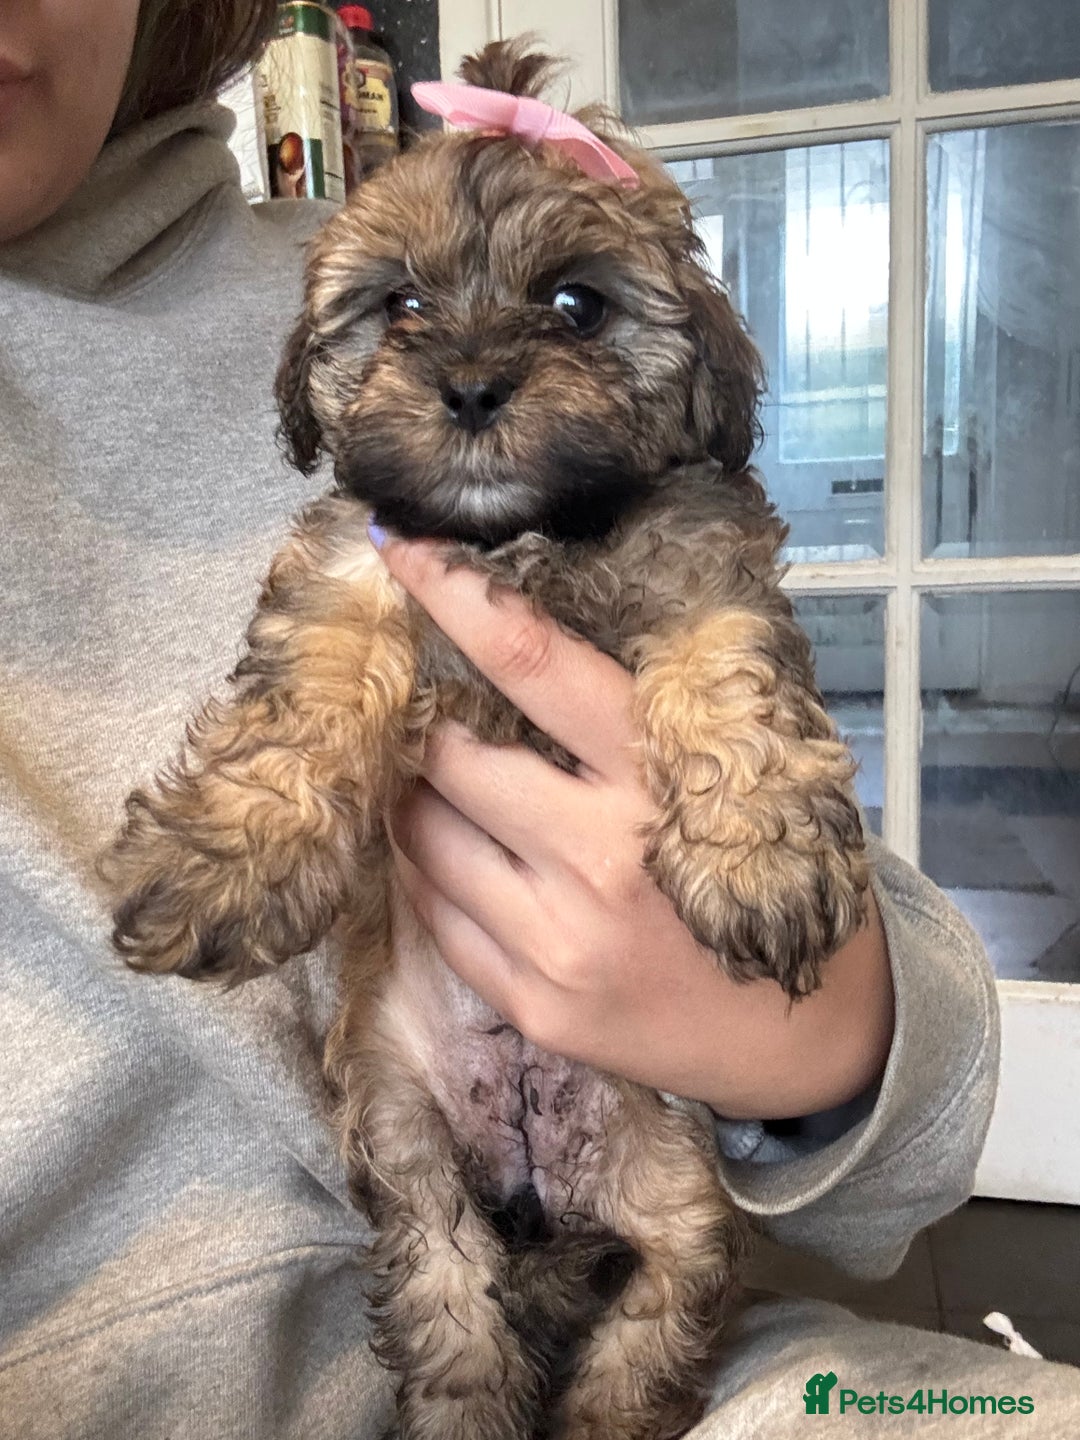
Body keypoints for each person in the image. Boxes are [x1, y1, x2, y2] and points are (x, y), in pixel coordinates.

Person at [0, 2, 1076, 1435]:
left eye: (573, 311)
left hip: (702, 1274)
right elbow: (330, 649)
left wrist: (828, 1030)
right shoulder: (355, 559)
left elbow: (721, 656)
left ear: (699, 368)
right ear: (314, 381)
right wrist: (277, 804)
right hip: (379, 1229)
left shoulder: (678, 537)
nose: (470, 366)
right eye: (403, 314)